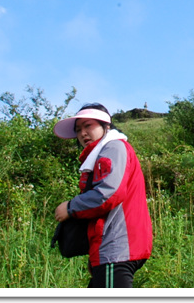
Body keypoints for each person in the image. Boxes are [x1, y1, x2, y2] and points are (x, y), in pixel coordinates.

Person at [53, 102, 153, 288]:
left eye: (88, 125)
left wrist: (70, 207)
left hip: (117, 246)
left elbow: (108, 194)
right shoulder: (103, 153)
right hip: (114, 248)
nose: (82, 133)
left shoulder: (113, 148)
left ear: (106, 126)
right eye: (78, 129)